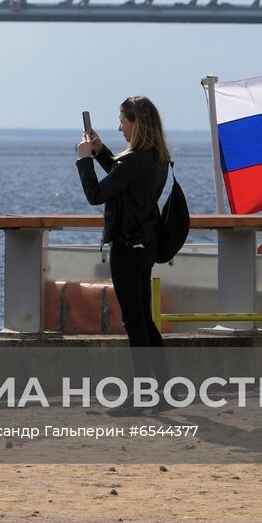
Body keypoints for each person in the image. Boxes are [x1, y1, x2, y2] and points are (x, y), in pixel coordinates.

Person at [75, 96, 172, 415]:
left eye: (123, 121)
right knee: (144, 319)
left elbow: (96, 195)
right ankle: (164, 391)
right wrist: (101, 150)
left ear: (137, 123)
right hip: (146, 247)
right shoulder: (155, 157)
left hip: (127, 249)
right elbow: (124, 179)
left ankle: (145, 394)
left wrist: (84, 159)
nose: (119, 127)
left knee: (135, 322)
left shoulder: (134, 161)